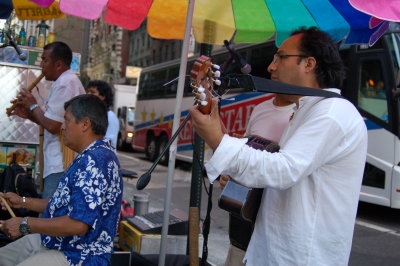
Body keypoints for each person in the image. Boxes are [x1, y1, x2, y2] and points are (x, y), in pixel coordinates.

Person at [190, 27, 368, 265]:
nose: (272, 67)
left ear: (309, 64)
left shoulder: (331, 113)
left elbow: (283, 170)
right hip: (277, 249)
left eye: (281, 57)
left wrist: (217, 140)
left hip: (301, 256)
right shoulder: (307, 109)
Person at [0, 94, 123, 266]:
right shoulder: (92, 155)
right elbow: (64, 204)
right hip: (60, 243)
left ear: (85, 124)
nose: (62, 127)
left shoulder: (95, 161)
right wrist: (22, 202)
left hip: (79, 255)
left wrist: (24, 223)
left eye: (67, 121)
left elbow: (78, 225)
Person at [221, 94, 295, 266]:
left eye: (279, 63)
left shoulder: (302, 115)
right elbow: (246, 150)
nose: (271, 67)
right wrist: (231, 175)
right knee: (237, 254)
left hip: (275, 218)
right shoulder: (260, 108)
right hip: (244, 213)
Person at [11, 41, 85, 199]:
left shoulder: (66, 83)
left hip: (61, 164)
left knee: (50, 215)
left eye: (45, 60)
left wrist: (32, 105)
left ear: (58, 64)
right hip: (56, 163)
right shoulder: (63, 82)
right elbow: (51, 121)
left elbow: (53, 126)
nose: (41, 65)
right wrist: (28, 113)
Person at [86, 80, 119, 149]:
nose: (88, 94)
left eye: (92, 92)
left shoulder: (110, 116)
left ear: (103, 96)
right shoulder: (90, 114)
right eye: (88, 91)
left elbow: (109, 143)